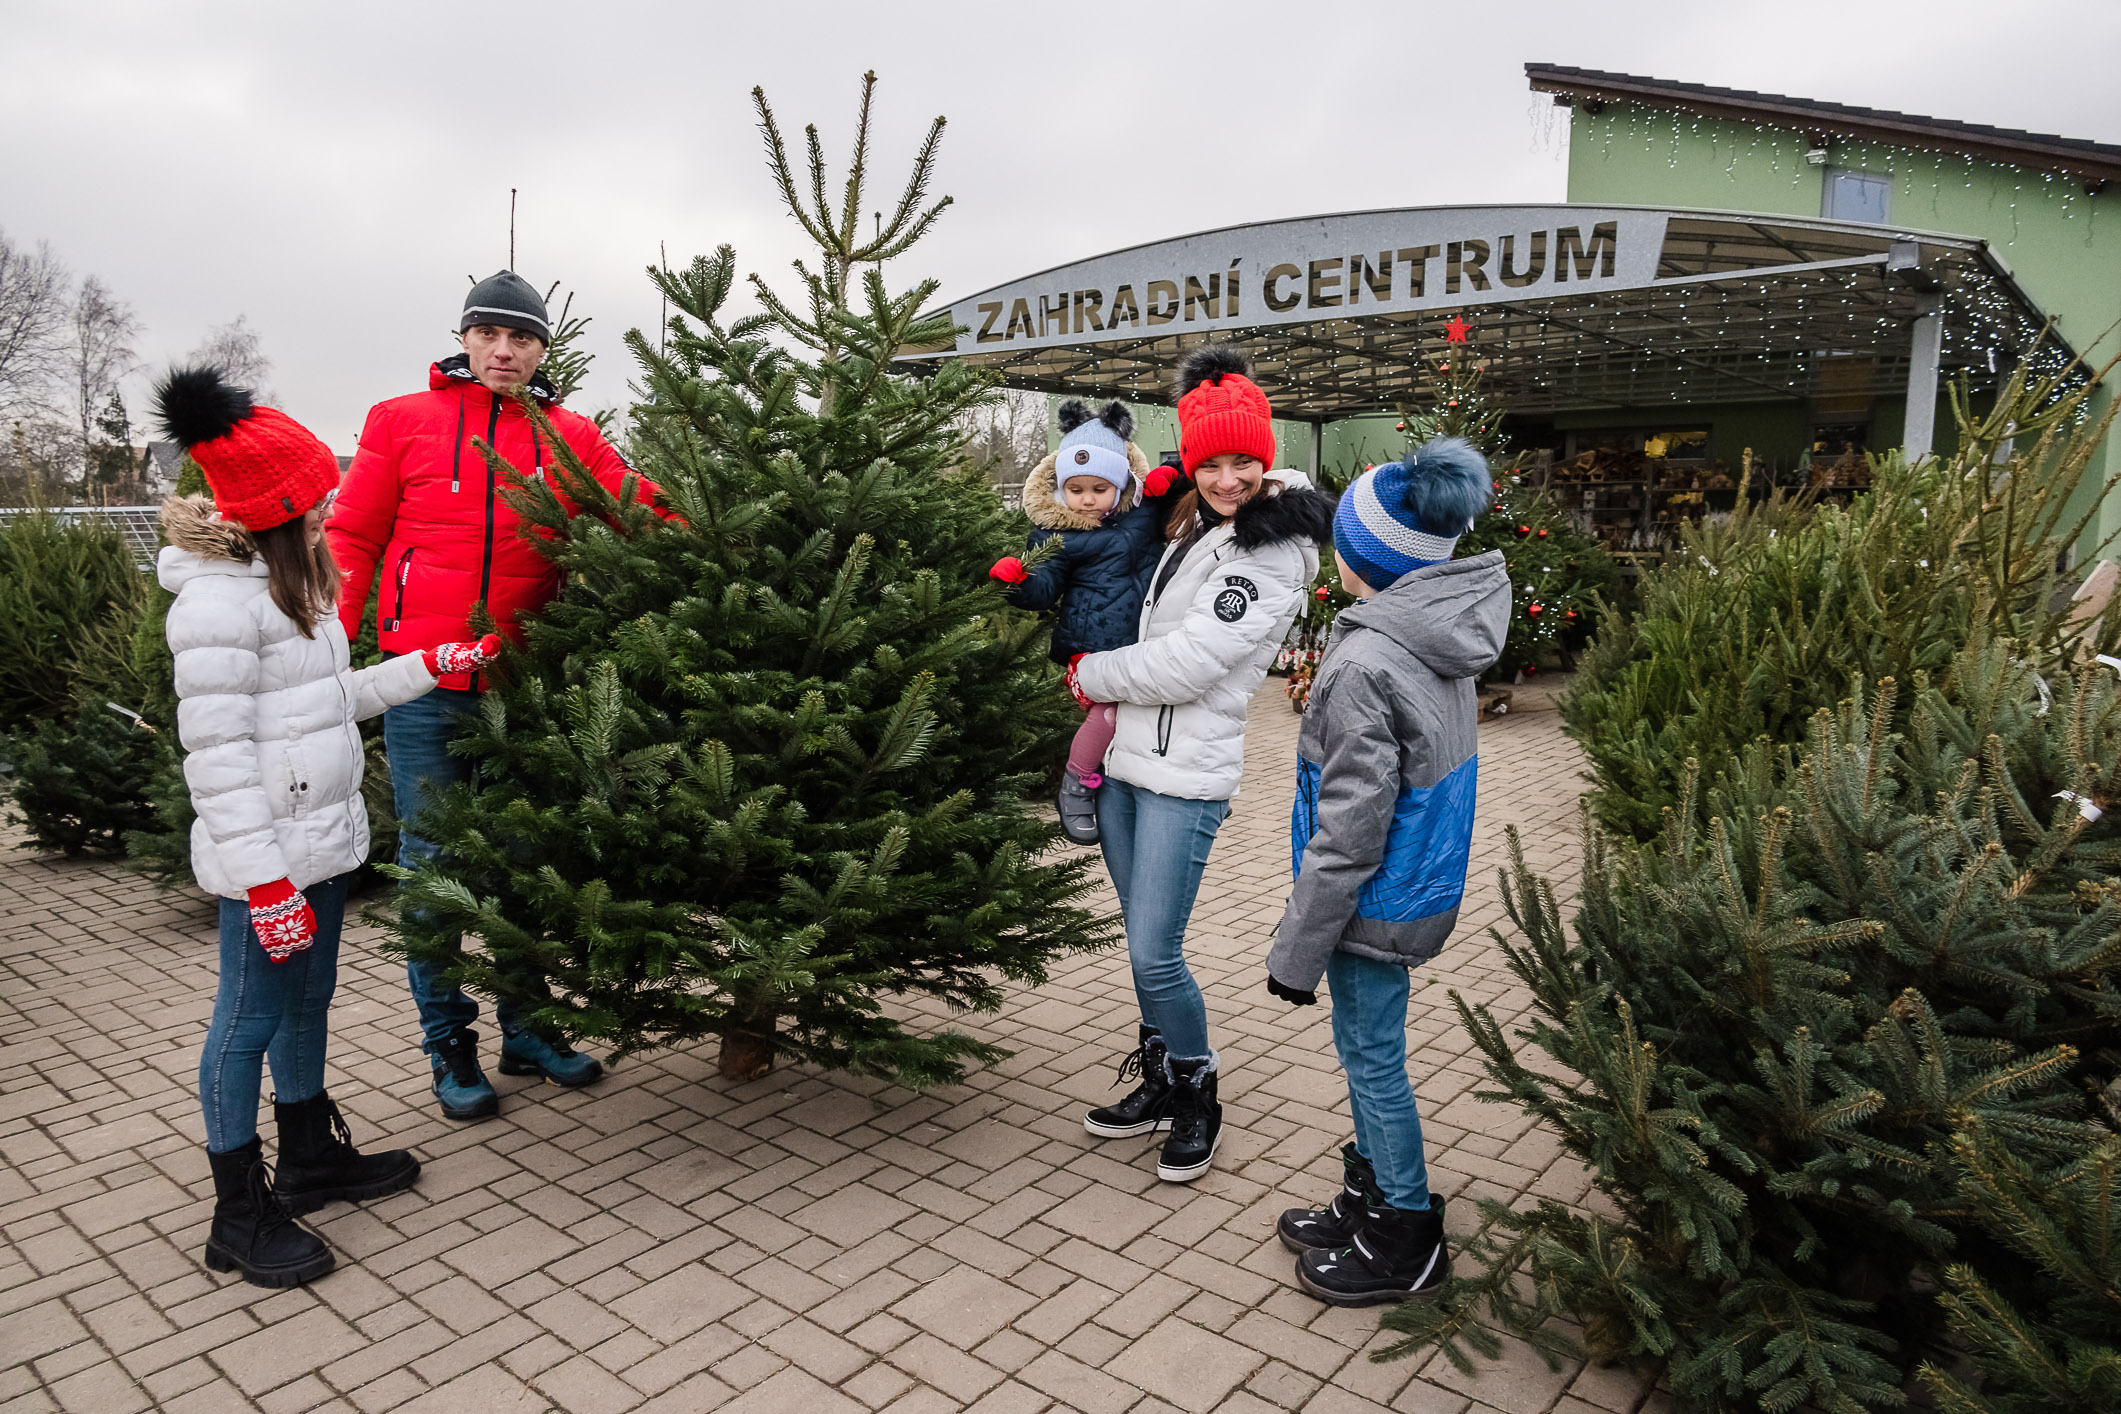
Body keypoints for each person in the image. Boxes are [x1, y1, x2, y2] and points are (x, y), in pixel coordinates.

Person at [153, 365, 502, 1287]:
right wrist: (264, 885)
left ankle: (309, 1154)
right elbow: (219, 761)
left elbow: (329, 700)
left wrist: (428, 664)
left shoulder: (292, 586)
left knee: (308, 1001)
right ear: (275, 511)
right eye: (314, 499)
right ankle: (238, 1214)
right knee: (246, 1020)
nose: (328, 508)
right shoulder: (218, 607)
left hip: (320, 843)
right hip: (267, 862)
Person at [327, 271, 662, 1121]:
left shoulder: (569, 435)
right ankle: (449, 1046)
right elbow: (353, 534)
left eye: (522, 337)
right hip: (423, 683)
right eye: (489, 333)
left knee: (522, 864)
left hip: (523, 686)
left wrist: (738, 531)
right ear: (465, 339)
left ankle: (528, 1030)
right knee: (434, 870)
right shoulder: (400, 421)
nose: (504, 350)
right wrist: (324, 641)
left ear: (544, 349)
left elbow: (640, 508)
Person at [1068, 345, 1332, 1183]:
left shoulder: (1270, 546)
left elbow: (1189, 663)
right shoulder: (1193, 521)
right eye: (1210, 463)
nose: (1226, 479)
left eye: (1242, 462)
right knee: (1138, 940)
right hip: (1130, 761)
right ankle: (1158, 1076)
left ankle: (1197, 1091)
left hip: (1183, 776)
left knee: (1156, 951)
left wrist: (1089, 675)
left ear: (1265, 458)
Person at [1263, 437, 1507, 1305]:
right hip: (1410, 886)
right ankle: (1370, 1195)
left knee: (1371, 1059)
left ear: (1359, 557)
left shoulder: (1366, 661)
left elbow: (1349, 828)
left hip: (1368, 902)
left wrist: (1297, 947)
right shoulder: (1425, 634)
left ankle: (1405, 1231)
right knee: (1365, 1049)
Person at [988, 399, 1186, 844]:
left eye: (1100, 488)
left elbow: (1186, 502)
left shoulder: (1144, 514)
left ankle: (1165, 785)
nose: (1088, 499)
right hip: (1091, 646)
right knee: (1109, 715)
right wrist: (1017, 582)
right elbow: (1043, 590)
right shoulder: (1056, 536)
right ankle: (1076, 784)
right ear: (1061, 488)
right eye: (1076, 489)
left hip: (1146, 639)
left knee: (1158, 711)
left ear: (1121, 484)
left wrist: (1169, 481)